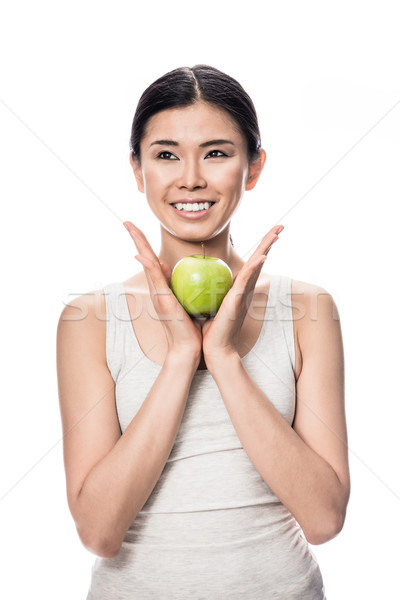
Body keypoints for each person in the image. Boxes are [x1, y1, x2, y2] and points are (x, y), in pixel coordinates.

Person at [56, 64, 350, 599]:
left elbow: (324, 519)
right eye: (166, 154)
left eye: (217, 152)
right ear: (138, 170)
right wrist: (177, 360)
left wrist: (226, 360)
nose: (190, 177)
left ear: (253, 167)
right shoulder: (91, 318)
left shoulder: (309, 308)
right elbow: (98, 532)